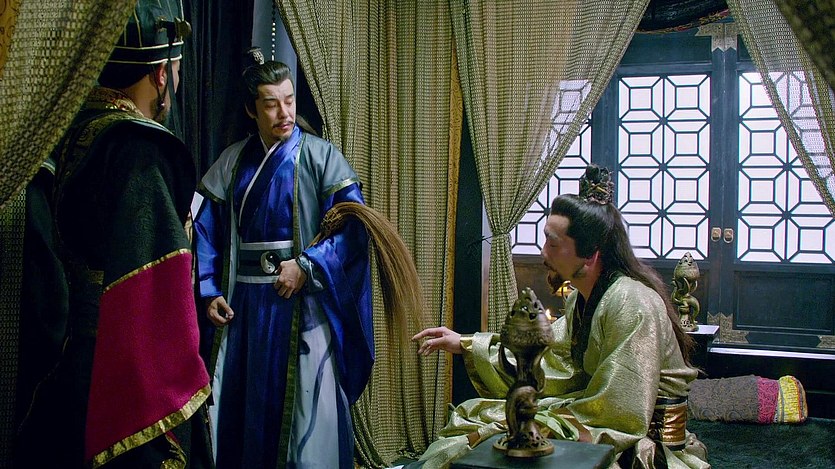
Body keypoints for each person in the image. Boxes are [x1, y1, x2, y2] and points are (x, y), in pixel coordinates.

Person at [13, 1, 212, 467]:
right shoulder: (137, 148)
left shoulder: (70, 129)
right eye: (176, 71)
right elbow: (152, 297)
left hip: (69, 361)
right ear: (160, 75)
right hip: (121, 368)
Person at [411, 164, 710, 468]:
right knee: (475, 414)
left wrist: (542, 424)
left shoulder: (632, 302)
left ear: (590, 255)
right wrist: (464, 343)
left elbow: (621, 409)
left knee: (495, 438)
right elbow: (548, 354)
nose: (543, 253)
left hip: (640, 440)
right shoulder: (583, 298)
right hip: (599, 412)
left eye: (553, 244)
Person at [193, 51, 374, 468]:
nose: (284, 113)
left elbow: (352, 229)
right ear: (251, 109)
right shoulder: (232, 162)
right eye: (271, 104)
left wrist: (307, 265)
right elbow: (205, 230)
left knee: (307, 413)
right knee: (242, 401)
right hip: (244, 306)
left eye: (289, 101)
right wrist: (209, 289)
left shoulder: (322, 157)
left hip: (301, 304)